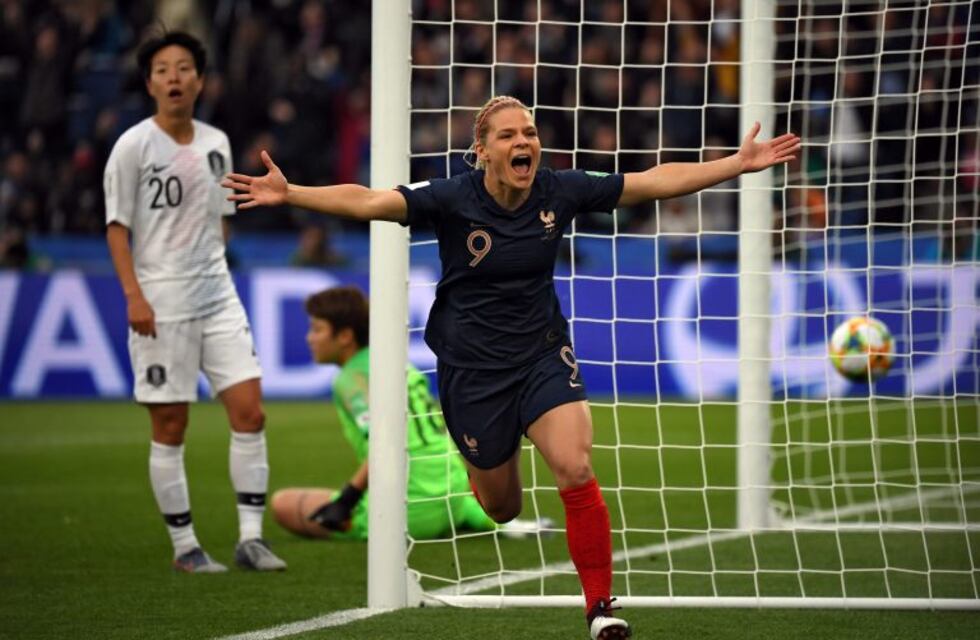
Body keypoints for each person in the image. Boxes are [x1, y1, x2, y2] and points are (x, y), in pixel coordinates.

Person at [224, 95, 799, 638]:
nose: (523, 141)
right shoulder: (453, 197)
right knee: (503, 508)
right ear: (482, 151)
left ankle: (600, 607)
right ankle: (485, 469)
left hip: (542, 354)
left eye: (529, 132)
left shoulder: (559, 189)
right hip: (473, 372)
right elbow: (371, 201)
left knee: (574, 466)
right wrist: (292, 193)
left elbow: (649, 182)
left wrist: (734, 164)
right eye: (508, 135)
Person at [104, 31, 286, 574]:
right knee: (170, 426)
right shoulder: (133, 146)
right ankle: (185, 546)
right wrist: (134, 296)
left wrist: (212, 263)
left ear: (200, 81)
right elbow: (117, 229)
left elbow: (221, 219)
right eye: (163, 70)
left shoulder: (216, 142)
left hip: (218, 298)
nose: (174, 78)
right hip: (161, 305)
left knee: (250, 412)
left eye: (184, 68)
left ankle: (251, 539)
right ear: (149, 84)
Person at [271, 285, 549, 540]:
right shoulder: (397, 363)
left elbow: (385, 443)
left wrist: (347, 498)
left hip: (409, 510)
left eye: (317, 329)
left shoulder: (352, 380)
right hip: (453, 494)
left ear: (344, 336)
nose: (309, 338)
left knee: (283, 504)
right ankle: (503, 525)